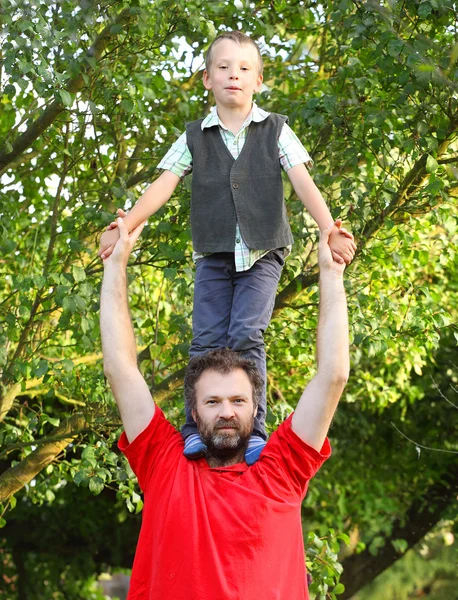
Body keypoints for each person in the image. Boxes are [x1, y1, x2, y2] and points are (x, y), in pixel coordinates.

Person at [98, 30, 356, 464]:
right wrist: (126, 224)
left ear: (258, 80)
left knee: (245, 335)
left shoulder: (276, 130)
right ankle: (191, 427)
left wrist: (329, 227)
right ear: (206, 79)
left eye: (243, 69)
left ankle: (255, 428)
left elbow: (303, 183)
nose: (232, 75)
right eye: (223, 67)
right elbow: (163, 184)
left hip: (263, 253)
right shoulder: (195, 136)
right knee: (206, 339)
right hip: (214, 254)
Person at [100, 217, 349, 600]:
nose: (227, 412)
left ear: (256, 407)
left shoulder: (282, 471)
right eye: (213, 402)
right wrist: (114, 265)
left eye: (238, 400)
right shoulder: (165, 466)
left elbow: (333, 376)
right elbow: (120, 368)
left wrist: (331, 275)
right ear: (194, 413)